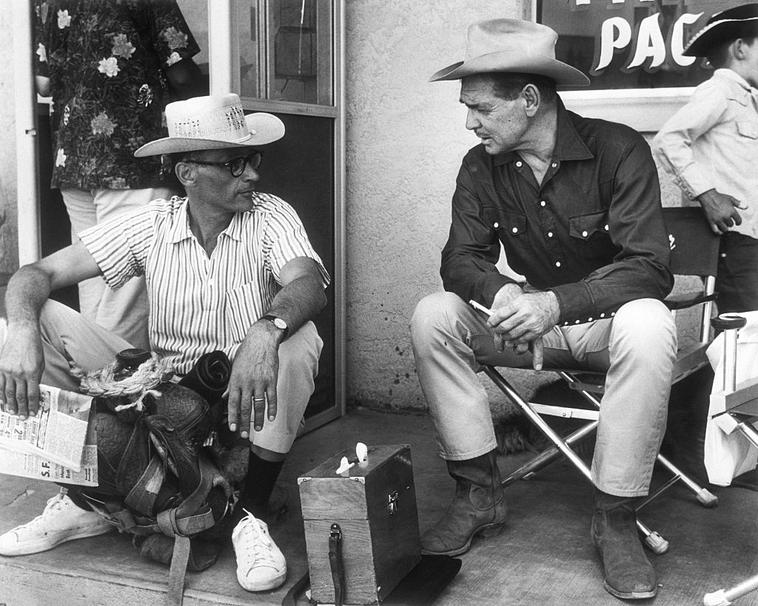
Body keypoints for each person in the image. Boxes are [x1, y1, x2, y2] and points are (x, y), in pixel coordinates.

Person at [0, 93, 329, 593]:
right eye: (234, 163)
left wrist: (265, 330)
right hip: (162, 392)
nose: (252, 175)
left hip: (243, 400)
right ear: (188, 174)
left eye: (253, 160)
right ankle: (87, 500)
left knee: (298, 336)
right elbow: (39, 272)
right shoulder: (154, 222)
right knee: (34, 312)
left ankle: (249, 514)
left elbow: (307, 282)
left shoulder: (269, 215)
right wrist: (20, 329)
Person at [410, 19, 676, 601]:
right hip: (529, 328)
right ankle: (478, 492)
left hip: (607, 327)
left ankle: (614, 518)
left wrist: (557, 302)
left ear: (529, 101)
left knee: (651, 320)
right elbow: (460, 259)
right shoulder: (480, 166)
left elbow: (651, 268)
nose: (469, 121)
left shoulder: (619, 149)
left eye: (479, 107)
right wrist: (502, 291)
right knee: (434, 313)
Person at [34, 0, 206, 350]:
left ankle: (93, 384)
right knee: (126, 292)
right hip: (133, 160)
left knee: (92, 283)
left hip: (74, 158)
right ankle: (116, 394)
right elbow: (183, 73)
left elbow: (43, 83)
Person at [653, 3, 758, 314]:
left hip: (751, 239)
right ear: (740, 48)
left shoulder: (747, 99)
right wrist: (707, 195)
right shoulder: (718, 92)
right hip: (734, 241)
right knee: (744, 330)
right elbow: (668, 141)